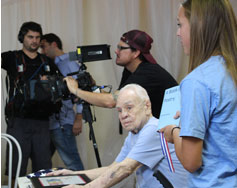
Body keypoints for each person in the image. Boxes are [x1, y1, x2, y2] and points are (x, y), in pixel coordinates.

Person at [47, 84, 187, 188]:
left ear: (147, 106)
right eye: (119, 111)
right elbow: (113, 168)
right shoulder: (134, 133)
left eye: (129, 108)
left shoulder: (153, 129)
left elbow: (124, 169)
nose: (123, 115)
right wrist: (73, 175)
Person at [159, 0, 237, 187]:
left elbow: (191, 161)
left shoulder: (197, 81)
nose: (177, 32)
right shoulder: (230, 71)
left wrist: (174, 131)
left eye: (180, 25)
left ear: (199, 26)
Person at [64, 30, 177, 118]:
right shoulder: (130, 69)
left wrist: (75, 90)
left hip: (172, 129)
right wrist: (93, 87)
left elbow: (111, 102)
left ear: (136, 53)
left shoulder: (146, 72)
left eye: (121, 48)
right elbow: (119, 96)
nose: (116, 51)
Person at [1, 22, 59, 177]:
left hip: (42, 121)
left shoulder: (47, 62)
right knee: (16, 167)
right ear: (22, 38)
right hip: (18, 120)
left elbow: (60, 87)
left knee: (43, 169)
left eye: (37, 37)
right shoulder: (11, 57)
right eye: (30, 37)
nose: (34, 40)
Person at [40, 33, 84, 170]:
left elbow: (81, 90)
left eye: (44, 47)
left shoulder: (69, 63)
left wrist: (79, 117)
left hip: (63, 122)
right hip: (53, 122)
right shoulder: (50, 65)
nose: (42, 51)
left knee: (72, 162)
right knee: (43, 160)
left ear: (54, 44)